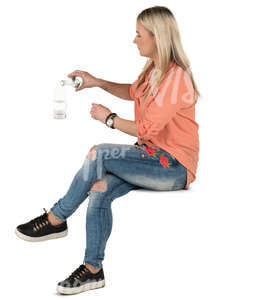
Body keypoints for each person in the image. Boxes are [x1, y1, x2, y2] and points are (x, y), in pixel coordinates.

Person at [15, 5, 200, 295]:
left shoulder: (176, 78)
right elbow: (133, 91)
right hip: (148, 159)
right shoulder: (155, 69)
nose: (134, 40)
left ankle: (56, 219)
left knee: (99, 153)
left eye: (139, 35)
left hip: (172, 167)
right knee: (99, 188)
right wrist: (96, 82)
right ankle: (93, 270)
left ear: (157, 37)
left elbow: (147, 129)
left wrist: (109, 119)